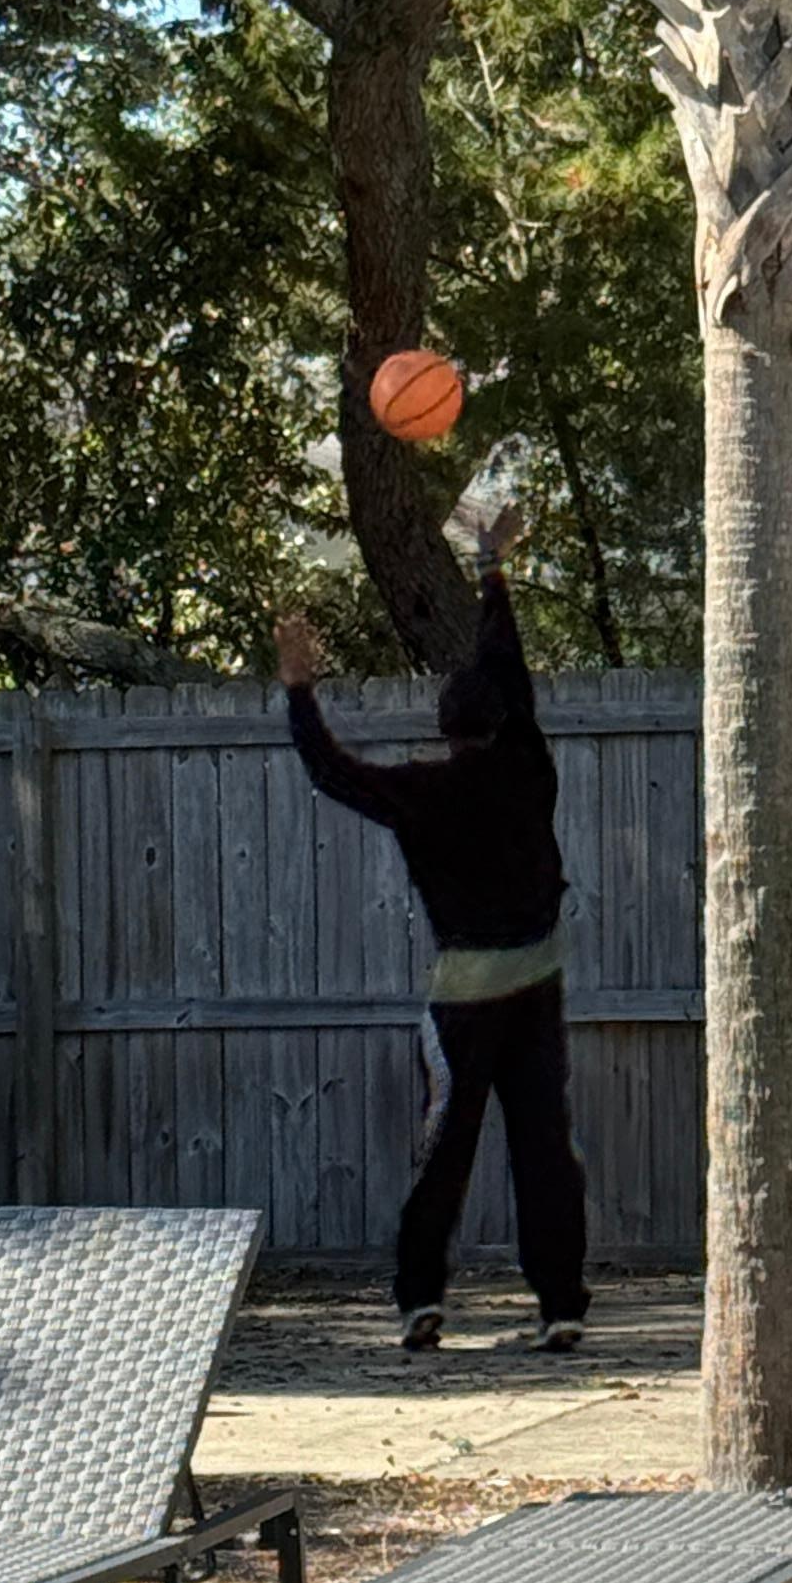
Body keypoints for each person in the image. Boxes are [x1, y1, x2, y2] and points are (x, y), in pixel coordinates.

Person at [276, 509, 590, 1355]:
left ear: (445, 732)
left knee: (446, 1148)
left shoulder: (422, 794)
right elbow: (509, 670)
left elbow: (329, 770)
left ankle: (420, 1300)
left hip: (466, 996)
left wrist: (301, 690)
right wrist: (492, 575)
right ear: (505, 724)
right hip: (537, 982)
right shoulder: (531, 769)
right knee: (543, 1146)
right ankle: (560, 1303)